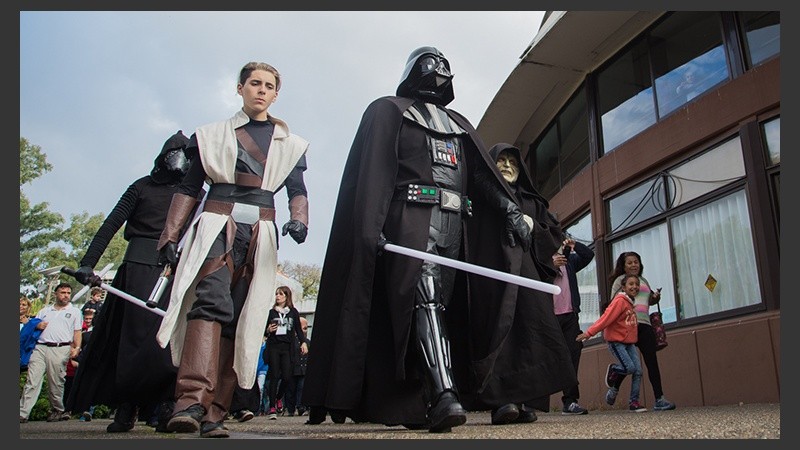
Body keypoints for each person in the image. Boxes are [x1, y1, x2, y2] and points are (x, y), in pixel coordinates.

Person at [302, 46, 528, 433]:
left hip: (455, 224)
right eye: (430, 62)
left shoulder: (459, 124)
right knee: (425, 299)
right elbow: (371, 175)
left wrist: (508, 209)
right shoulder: (388, 111)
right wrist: (371, 227)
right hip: (409, 218)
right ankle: (443, 394)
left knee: (443, 306)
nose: (438, 69)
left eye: (444, 64)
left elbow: (479, 176)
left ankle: (431, 393)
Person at [155, 61, 310, 439]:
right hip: (215, 226)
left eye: (268, 85)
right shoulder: (210, 137)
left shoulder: (289, 145)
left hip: (261, 233)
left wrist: (300, 219)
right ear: (240, 88)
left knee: (243, 315)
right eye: (254, 83)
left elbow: (297, 188)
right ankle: (190, 401)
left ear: (276, 94)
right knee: (210, 303)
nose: (260, 90)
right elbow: (190, 188)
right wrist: (170, 236)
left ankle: (216, 411)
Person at [67, 130, 195, 434]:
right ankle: (127, 403)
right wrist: (88, 263)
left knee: (168, 343)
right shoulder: (142, 187)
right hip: (137, 271)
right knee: (132, 342)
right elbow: (112, 223)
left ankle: (165, 403)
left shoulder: (195, 194)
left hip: (175, 273)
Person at [461, 143, 577, 424]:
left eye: (513, 161)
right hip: (492, 276)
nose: (507, 165)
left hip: (528, 279)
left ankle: (527, 400)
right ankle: (501, 401)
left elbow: (553, 234)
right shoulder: (481, 196)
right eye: (500, 161)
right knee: (499, 333)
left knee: (532, 333)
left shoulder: (533, 202)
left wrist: (532, 225)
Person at [605, 252, 677, 412]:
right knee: (630, 364)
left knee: (651, 362)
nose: (633, 265)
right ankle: (615, 387)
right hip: (627, 325)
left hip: (644, 324)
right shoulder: (619, 281)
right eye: (629, 263)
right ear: (623, 266)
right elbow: (613, 303)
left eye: (636, 262)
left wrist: (655, 298)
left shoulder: (643, 281)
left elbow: (648, 299)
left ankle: (659, 399)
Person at [576, 274, 647, 413]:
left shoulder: (631, 303)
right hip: (616, 342)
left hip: (629, 343)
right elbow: (606, 319)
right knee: (630, 368)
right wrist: (589, 333)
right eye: (631, 284)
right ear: (623, 287)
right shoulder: (619, 301)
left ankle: (634, 402)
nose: (634, 287)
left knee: (638, 371)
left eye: (637, 284)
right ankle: (614, 369)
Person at [20, 282, 83, 423]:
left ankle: (57, 409)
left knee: (56, 381)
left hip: (61, 347)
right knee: (32, 380)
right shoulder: (45, 311)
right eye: (63, 292)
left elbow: (77, 331)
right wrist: (36, 324)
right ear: (56, 293)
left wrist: (77, 347)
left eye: (68, 293)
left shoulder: (74, 312)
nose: (65, 295)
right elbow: (31, 325)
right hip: (40, 347)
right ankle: (22, 413)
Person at [551, 237, 595, 415]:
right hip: (549, 317)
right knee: (543, 356)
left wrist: (574, 244)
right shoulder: (541, 262)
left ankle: (570, 401)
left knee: (572, 355)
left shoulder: (570, 263)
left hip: (570, 315)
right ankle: (531, 402)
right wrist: (550, 264)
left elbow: (589, 255)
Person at [264, 286, 308, 420]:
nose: (278, 296)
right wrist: (268, 330)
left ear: (286, 296)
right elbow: (263, 330)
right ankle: (272, 407)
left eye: (281, 294)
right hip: (274, 346)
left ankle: (278, 398)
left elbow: (298, 330)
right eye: (276, 294)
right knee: (275, 375)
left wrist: (303, 342)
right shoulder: (271, 312)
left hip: (287, 347)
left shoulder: (293, 312)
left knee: (287, 376)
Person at [285, 316, 310, 416]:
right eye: (303, 328)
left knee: (301, 388)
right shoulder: (289, 341)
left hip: (303, 369)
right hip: (292, 368)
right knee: (291, 389)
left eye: (306, 328)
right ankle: (290, 408)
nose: (305, 330)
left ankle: (301, 406)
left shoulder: (307, 342)